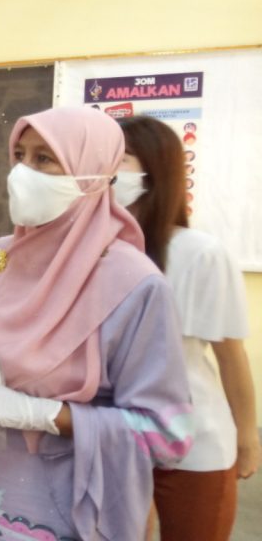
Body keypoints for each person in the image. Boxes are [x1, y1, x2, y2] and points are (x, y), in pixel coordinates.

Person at [0, 107, 193, 539]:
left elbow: (167, 434)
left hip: (66, 511)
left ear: (92, 173)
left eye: (44, 159)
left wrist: (46, 414)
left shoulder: (134, 285)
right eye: (19, 156)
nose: (22, 172)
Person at [115, 115, 259, 541]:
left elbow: (230, 356)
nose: (104, 171)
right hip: (117, 436)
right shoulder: (94, 252)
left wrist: (247, 438)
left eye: (119, 158)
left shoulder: (200, 253)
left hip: (196, 441)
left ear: (154, 169)